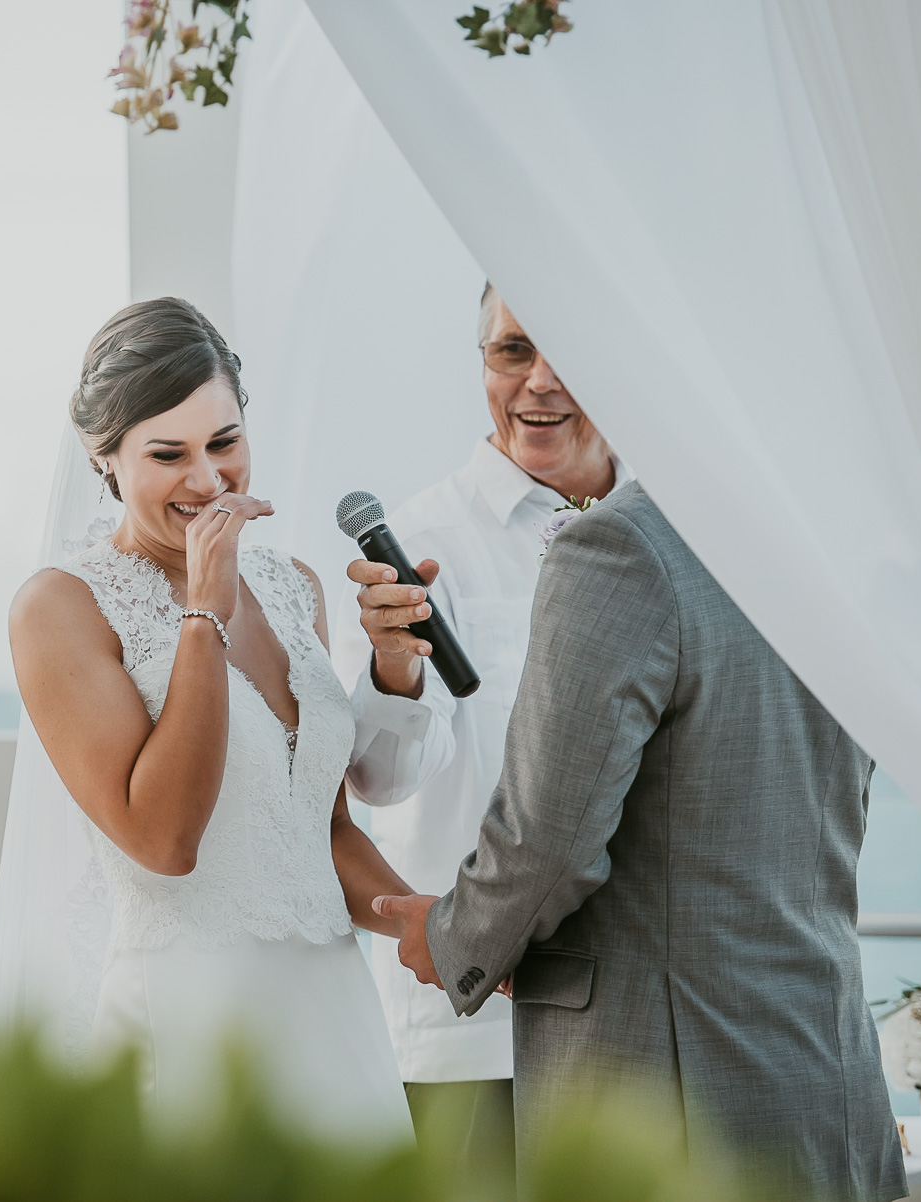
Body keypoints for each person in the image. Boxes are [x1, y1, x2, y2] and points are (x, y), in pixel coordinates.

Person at [375, 473, 909, 1197]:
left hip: (669, 1099)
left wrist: (455, 938)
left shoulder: (625, 543)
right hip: (830, 1067)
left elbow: (550, 838)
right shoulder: (830, 536)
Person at [3, 297, 443, 1146]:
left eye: (225, 443)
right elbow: (166, 839)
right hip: (190, 1021)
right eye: (168, 454)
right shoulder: (61, 607)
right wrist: (202, 614)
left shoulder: (293, 587)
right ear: (105, 460)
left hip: (332, 1017)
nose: (208, 481)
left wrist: (427, 922)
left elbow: (319, 829)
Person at [333, 284, 629, 1183]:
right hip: (479, 1029)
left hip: (641, 1022)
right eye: (511, 352)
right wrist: (396, 669)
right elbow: (383, 782)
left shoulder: (680, 534)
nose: (538, 382)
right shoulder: (422, 543)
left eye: (568, 353)